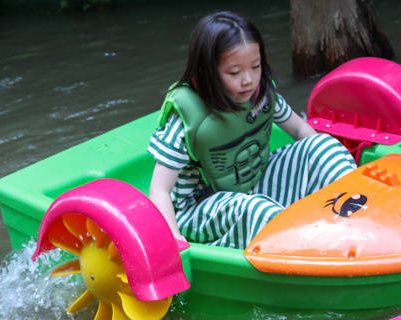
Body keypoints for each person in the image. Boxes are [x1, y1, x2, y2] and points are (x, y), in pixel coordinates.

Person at [146, 10, 357, 249]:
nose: (248, 80)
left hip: (255, 182)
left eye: (255, 67)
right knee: (257, 210)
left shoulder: (261, 95)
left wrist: (319, 167)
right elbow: (160, 189)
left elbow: (301, 131)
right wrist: (175, 240)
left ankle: (360, 217)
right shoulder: (187, 118)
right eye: (234, 72)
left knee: (324, 145)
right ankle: (316, 248)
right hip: (200, 209)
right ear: (206, 72)